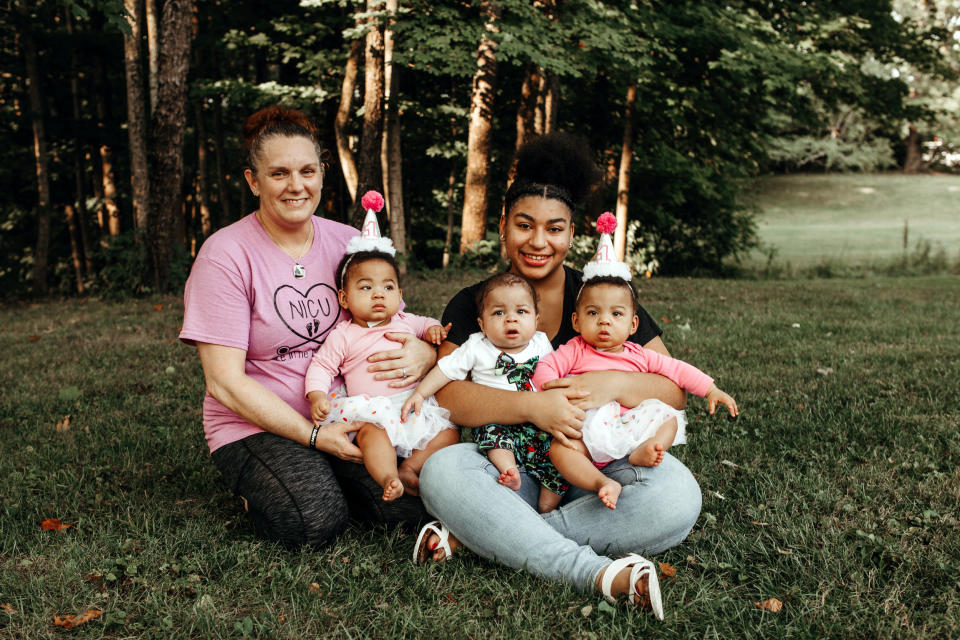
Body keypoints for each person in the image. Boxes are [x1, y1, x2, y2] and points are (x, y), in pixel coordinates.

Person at [415, 133, 702, 619]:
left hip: (597, 465)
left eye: (555, 228)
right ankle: (593, 573)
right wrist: (532, 406)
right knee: (442, 472)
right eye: (524, 225)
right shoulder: (475, 302)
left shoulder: (602, 299)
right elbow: (451, 395)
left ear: (573, 235)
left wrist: (611, 385)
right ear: (503, 228)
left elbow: (673, 390)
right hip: (511, 466)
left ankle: (482, 535)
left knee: (676, 497)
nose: (539, 241)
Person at [179, 106, 436, 549]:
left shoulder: (346, 243)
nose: (296, 186)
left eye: (307, 171)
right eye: (278, 173)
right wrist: (315, 437)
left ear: (322, 173)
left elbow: (391, 318)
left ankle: (336, 480)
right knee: (311, 521)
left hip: (349, 413)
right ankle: (273, 479)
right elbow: (224, 383)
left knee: (412, 507)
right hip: (255, 424)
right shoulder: (224, 255)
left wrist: (427, 353)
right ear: (253, 181)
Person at [531, 213, 739, 512]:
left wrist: (710, 390)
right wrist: (552, 393)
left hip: (627, 426)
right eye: (593, 313)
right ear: (576, 321)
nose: (604, 321)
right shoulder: (573, 349)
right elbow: (546, 369)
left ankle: (647, 450)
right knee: (561, 451)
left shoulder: (639, 354)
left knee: (668, 418)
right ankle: (596, 483)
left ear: (633, 324)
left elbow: (677, 371)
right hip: (584, 428)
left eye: (616, 314)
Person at [305, 197, 459, 503]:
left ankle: (410, 468)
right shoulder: (344, 335)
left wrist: (433, 331)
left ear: (399, 294)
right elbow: (321, 367)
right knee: (371, 436)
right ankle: (389, 475)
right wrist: (317, 395)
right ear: (344, 298)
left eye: (388, 287)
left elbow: (427, 323)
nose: (379, 294)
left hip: (409, 404)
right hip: (372, 409)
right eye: (365, 287)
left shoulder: (405, 320)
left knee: (448, 432)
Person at [401, 272, 566, 514]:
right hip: (497, 420)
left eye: (521, 312)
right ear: (482, 324)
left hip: (537, 424)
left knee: (558, 458)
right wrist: (420, 394)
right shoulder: (477, 346)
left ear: (536, 319)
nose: (511, 319)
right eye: (499, 313)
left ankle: (547, 510)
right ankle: (508, 470)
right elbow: (445, 370)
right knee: (493, 438)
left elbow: (555, 375)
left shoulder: (541, 343)